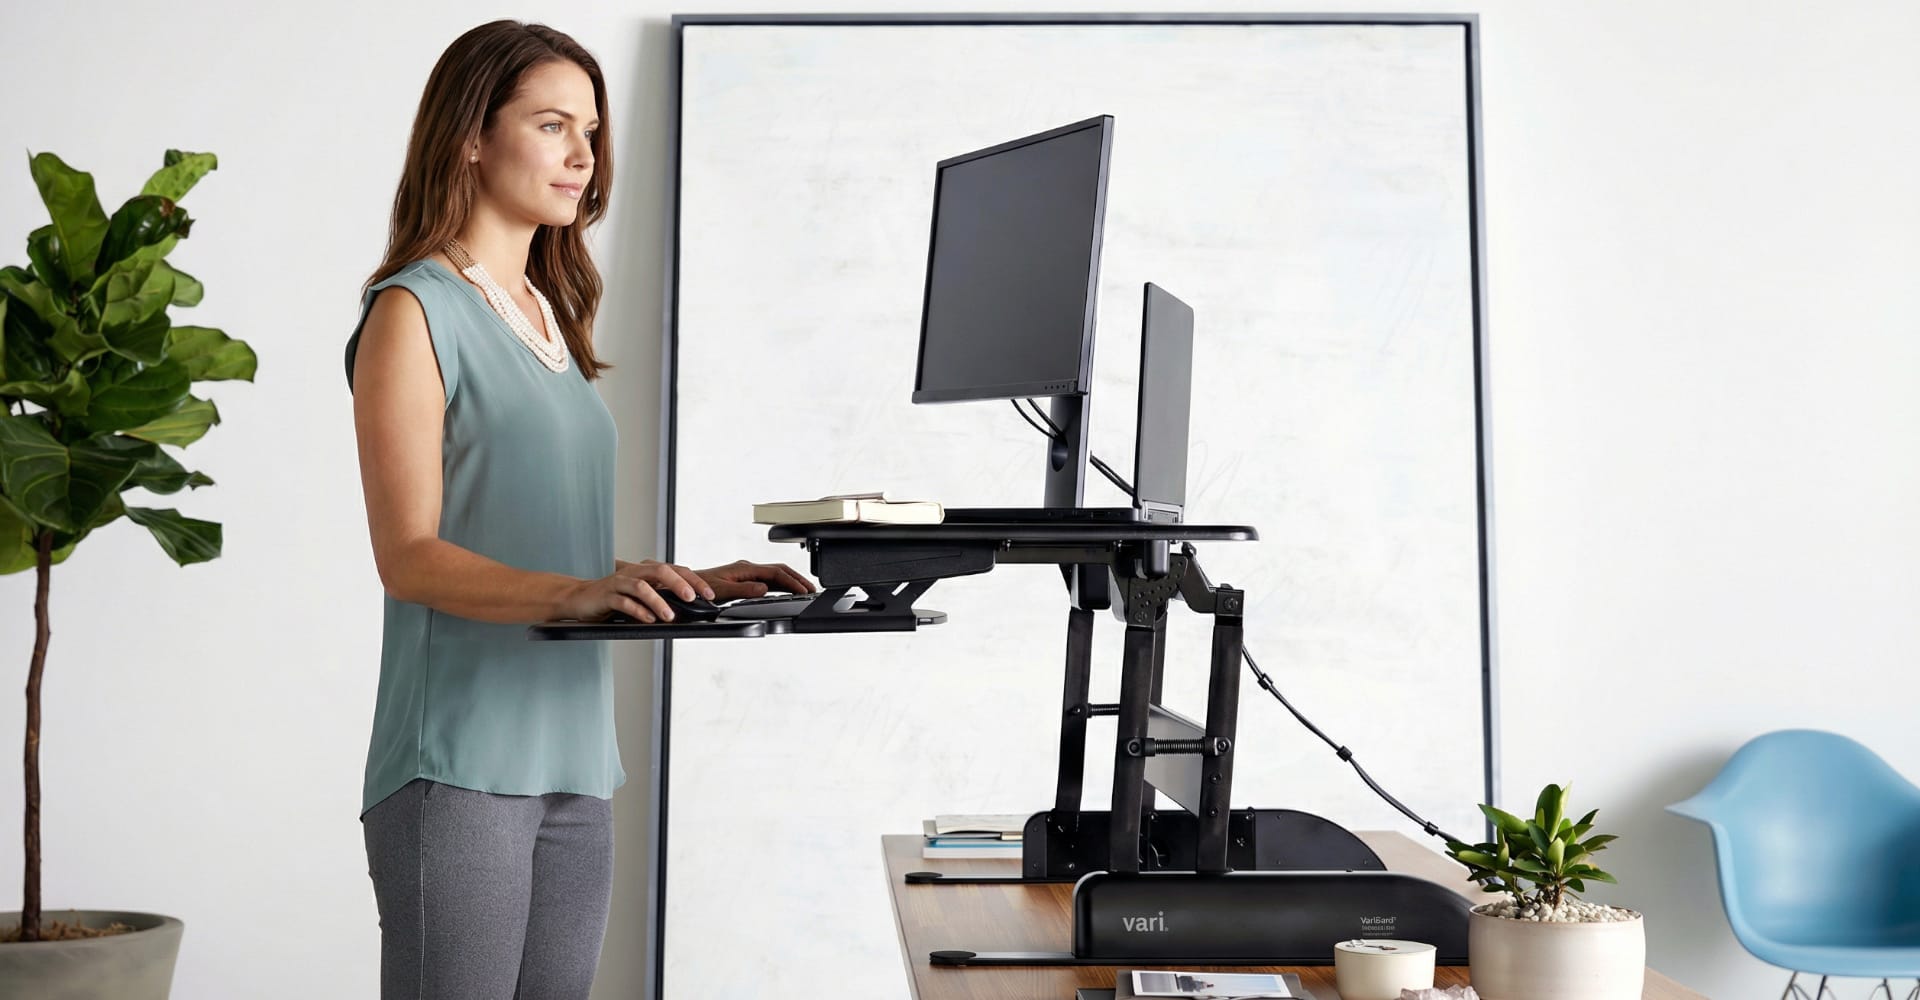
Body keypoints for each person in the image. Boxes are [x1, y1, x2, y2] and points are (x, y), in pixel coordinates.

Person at [343, 20, 811, 999]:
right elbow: (411, 556)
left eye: (590, 131)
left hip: (574, 761)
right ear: (471, 135)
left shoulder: (550, 315)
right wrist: (580, 593)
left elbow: (536, 530)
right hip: (460, 763)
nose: (583, 155)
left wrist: (679, 580)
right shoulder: (413, 311)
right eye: (552, 124)